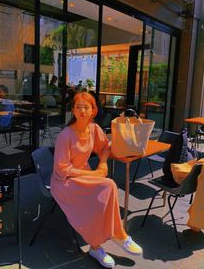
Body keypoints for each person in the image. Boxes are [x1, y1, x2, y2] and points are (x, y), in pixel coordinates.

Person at [50, 92, 142, 268]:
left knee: (108, 187)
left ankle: (117, 234)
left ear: (93, 110)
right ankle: (98, 244)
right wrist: (95, 174)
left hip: (82, 175)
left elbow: (105, 147)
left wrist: (103, 164)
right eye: (78, 107)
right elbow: (62, 170)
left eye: (87, 107)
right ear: (73, 110)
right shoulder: (65, 135)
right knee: (105, 189)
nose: (83, 111)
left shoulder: (94, 129)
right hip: (64, 182)